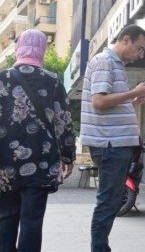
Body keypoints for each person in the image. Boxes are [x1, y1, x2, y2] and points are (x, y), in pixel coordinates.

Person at [80, 24, 145, 252]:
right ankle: (100, 249)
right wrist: (134, 92)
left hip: (113, 142)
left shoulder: (115, 64)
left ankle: (101, 248)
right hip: (110, 144)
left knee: (111, 201)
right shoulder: (105, 61)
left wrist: (134, 101)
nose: (141, 54)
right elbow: (99, 102)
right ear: (125, 40)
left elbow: (108, 102)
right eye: (139, 48)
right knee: (108, 202)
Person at [0, 29, 75, 252]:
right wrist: (68, 156)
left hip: (4, 163)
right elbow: (63, 120)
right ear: (41, 49)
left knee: (5, 217)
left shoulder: (2, 79)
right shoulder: (52, 81)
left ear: (19, 47)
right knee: (32, 220)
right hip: (41, 161)